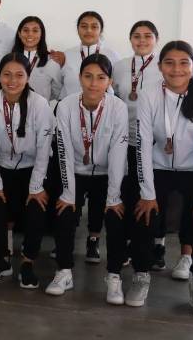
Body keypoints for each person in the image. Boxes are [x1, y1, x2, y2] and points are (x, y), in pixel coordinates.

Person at [136, 40, 193, 318]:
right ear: (160, 67)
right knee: (143, 216)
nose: (176, 69)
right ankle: (141, 275)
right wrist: (147, 193)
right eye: (169, 62)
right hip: (158, 167)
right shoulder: (149, 94)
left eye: (184, 62)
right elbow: (144, 144)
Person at [47, 54, 128, 298]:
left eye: (101, 78)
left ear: (109, 81)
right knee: (65, 212)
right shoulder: (66, 105)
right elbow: (63, 149)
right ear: (79, 78)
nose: (94, 83)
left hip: (107, 172)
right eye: (88, 77)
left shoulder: (118, 108)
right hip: (74, 170)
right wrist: (69, 194)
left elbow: (118, 152)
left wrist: (114, 197)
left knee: (116, 215)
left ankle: (114, 275)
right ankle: (64, 271)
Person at [0, 53, 55, 283]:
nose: (12, 81)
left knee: (36, 206)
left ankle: (28, 262)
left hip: (34, 167)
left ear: (28, 77)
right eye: (7, 75)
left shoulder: (39, 104)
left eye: (19, 75)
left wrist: (36, 187)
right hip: (1, 165)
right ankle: (2, 259)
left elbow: (44, 149)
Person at [112, 21, 165, 270]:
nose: (141, 40)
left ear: (156, 39)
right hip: (126, 139)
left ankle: (156, 245)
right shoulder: (120, 66)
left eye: (147, 36)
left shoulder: (163, 66)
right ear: (130, 39)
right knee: (129, 192)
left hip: (154, 142)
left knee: (154, 195)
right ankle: (129, 245)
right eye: (136, 36)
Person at [59, 11, 121, 99]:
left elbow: (118, 87)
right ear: (78, 29)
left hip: (103, 109)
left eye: (94, 27)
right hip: (70, 109)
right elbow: (56, 86)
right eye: (84, 26)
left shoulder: (112, 55)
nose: (88, 30)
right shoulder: (66, 55)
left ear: (101, 30)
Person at [10, 16, 63, 101]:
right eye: (26, 30)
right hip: (13, 110)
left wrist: (42, 98)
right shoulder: (10, 60)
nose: (30, 34)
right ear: (19, 34)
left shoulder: (51, 61)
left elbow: (57, 91)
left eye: (35, 31)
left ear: (41, 34)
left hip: (41, 111)